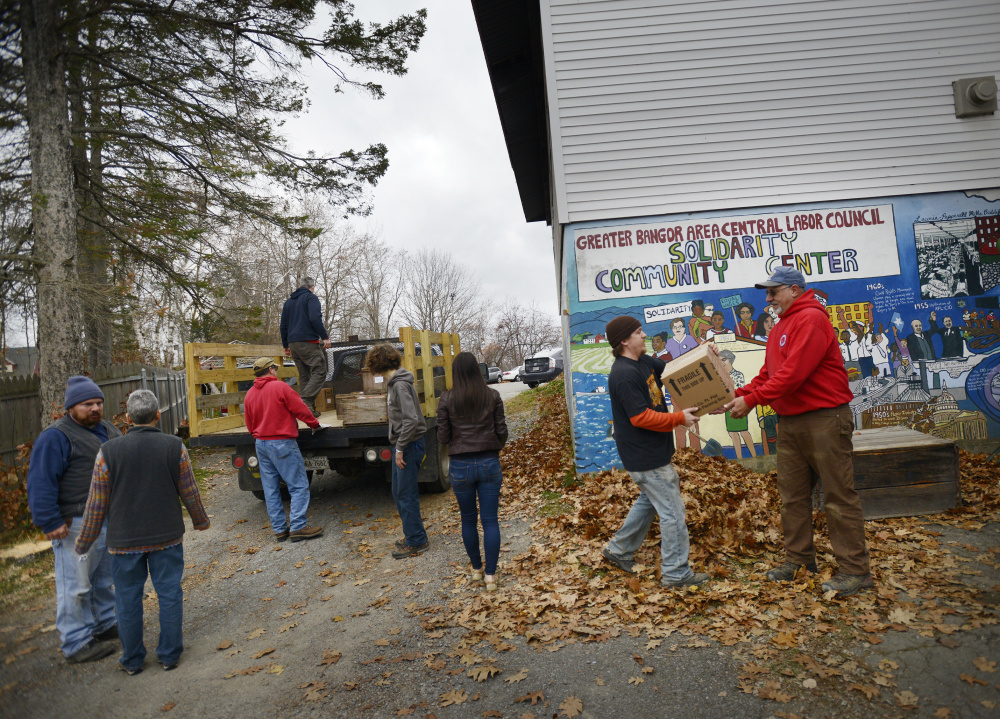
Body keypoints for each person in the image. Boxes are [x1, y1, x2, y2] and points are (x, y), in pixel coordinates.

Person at [721, 267, 873, 598]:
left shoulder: (811, 319)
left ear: (794, 289)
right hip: (790, 422)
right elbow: (768, 375)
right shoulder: (780, 327)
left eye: (773, 292)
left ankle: (855, 570)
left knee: (838, 495)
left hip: (824, 419)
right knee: (792, 497)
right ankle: (800, 561)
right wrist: (738, 395)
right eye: (767, 292)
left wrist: (752, 401)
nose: (768, 298)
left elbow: (792, 375)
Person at [75, 390, 210, 675]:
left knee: (127, 599)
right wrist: (200, 520)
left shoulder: (107, 452)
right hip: (167, 537)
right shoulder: (175, 447)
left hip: (124, 541)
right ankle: (170, 655)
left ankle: (133, 660)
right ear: (158, 415)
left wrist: (85, 539)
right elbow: (189, 489)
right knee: (170, 594)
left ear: (127, 419)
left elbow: (96, 502)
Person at [600, 315, 708, 588]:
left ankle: (618, 549)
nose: (644, 334)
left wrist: (706, 356)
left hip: (651, 453)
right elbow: (641, 418)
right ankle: (675, 573)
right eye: (638, 332)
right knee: (673, 513)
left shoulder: (645, 362)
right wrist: (679, 418)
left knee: (649, 501)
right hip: (644, 457)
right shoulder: (623, 374)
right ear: (624, 340)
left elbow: (677, 370)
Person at [26, 376, 121, 664]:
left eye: (98, 403)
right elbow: (40, 481)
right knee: (75, 584)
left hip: (108, 519)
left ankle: (104, 623)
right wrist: (50, 520)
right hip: (76, 523)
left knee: (103, 579)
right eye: (87, 404)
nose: (94, 408)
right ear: (71, 408)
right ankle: (76, 641)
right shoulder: (56, 437)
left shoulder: (109, 430)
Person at [436, 352, 508, 591]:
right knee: (490, 521)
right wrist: (494, 446)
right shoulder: (492, 395)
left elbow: (443, 436)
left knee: (468, 519)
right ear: (477, 371)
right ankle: (490, 576)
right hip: (489, 462)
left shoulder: (446, 399)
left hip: (460, 465)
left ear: (455, 373)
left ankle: (477, 569)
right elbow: (502, 431)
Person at [244, 357, 324, 542]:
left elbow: (249, 424)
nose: (276, 371)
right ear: (271, 370)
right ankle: (298, 527)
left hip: (261, 444)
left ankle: (280, 530)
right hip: (282, 443)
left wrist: (259, 434)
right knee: (298, 485)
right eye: (275, 368)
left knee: (270, 488)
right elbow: (300, 409)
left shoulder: (250, 394)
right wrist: (314, 423)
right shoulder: (280, 387)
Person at [365, 344, 429, 559]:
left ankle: (417, 541)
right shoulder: (395, 383)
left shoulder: (399, 385)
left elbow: (411, 420)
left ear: (377, 363)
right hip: (403, 444)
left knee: (406, 494)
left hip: (408, 445)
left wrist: (400, 447)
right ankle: (414, 535)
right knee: (398, 492)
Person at [280, 277, 332, 416]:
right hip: (308, 341)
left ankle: (308, 411)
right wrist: (325, 337)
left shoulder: (289, 302)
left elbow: (283, 325)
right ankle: (305, 401)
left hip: (293, 343)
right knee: (320, 371)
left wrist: (286, 345)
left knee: (305, 376)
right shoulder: (311, 298)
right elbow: (315, 318)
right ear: (312, 287)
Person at [718, 350, 757, 459]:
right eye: (719, 360)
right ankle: (739, 459)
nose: (721, 363)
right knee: (732, 433)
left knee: (744, 431)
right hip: (727, 407)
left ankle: (754, 456)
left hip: (738, 405)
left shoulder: (737, 375)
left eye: (723, 360)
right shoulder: (721, 376)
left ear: (729, 359)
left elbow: (740, 391)